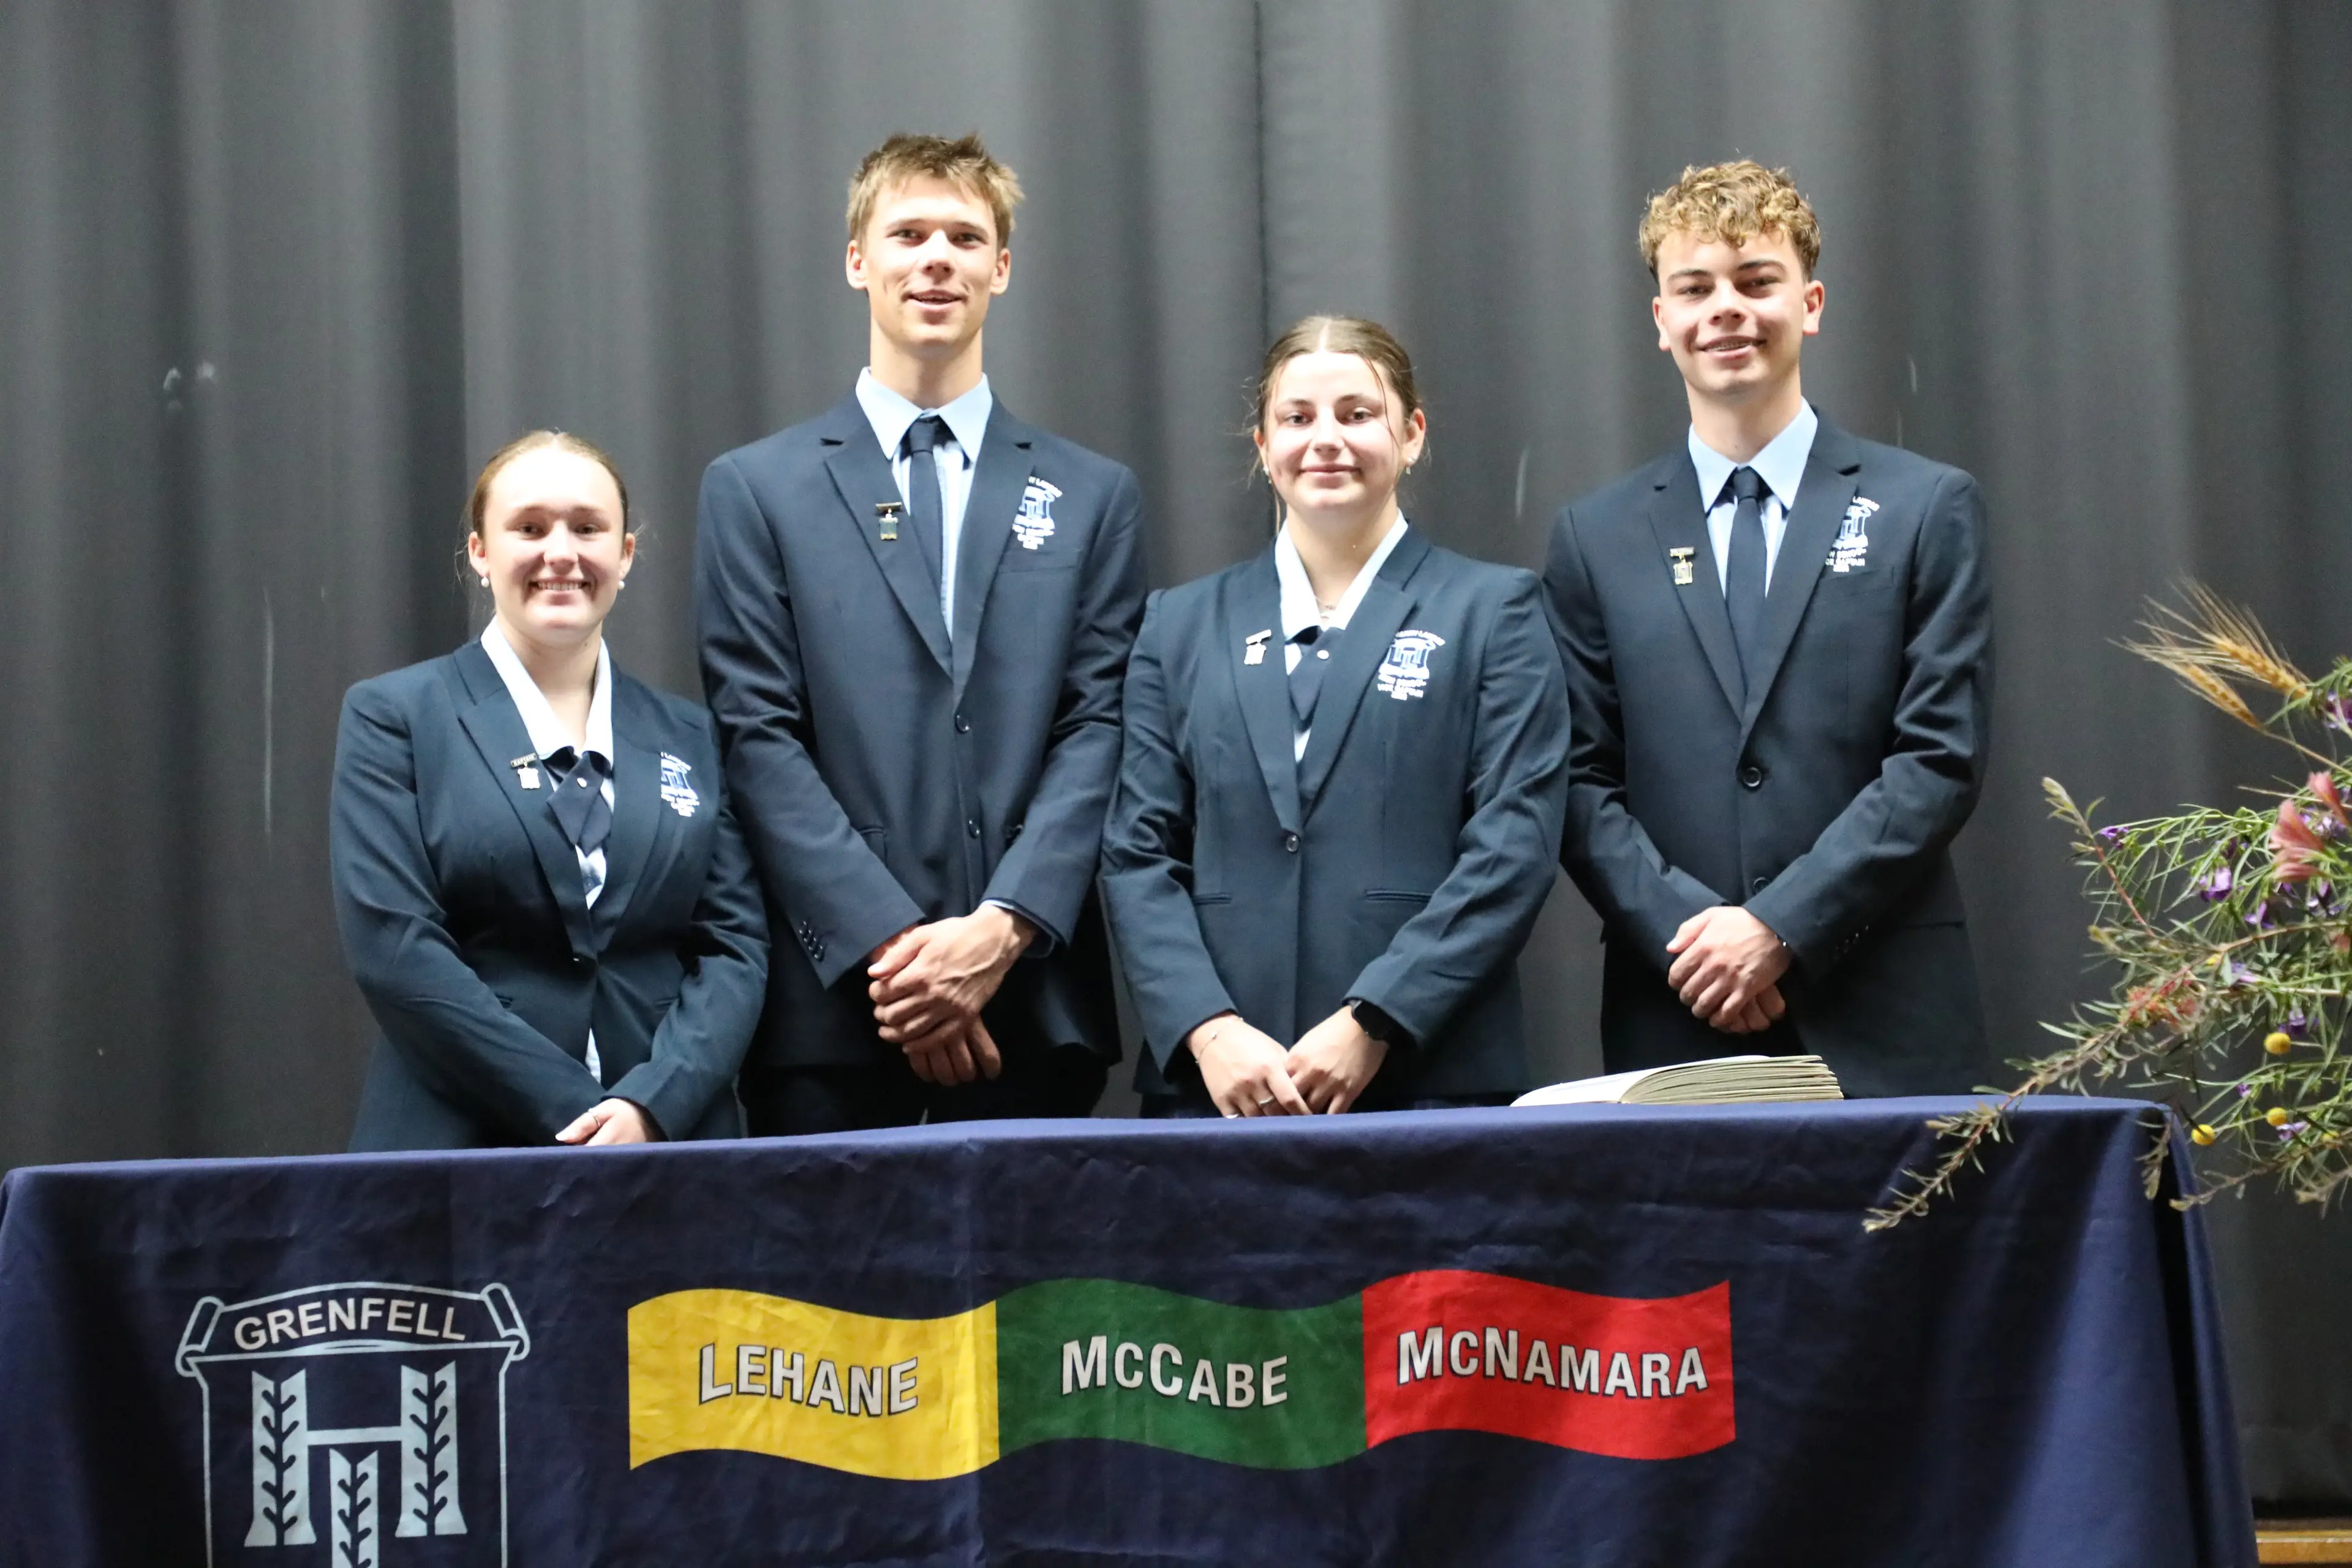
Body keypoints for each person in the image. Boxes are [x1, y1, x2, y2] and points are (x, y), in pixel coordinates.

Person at [697, 133, 1145, 1133]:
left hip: (1030, 1012)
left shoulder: (1091, 494)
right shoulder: (756, 489)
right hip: (834, 1020)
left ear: (1002, 267)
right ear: (859, 259)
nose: (936, 257)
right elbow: (757, 734)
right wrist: (904, 959)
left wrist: (996, 934)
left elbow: (1099, 728)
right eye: (908, 233)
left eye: (964, 235)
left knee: (1042, 1294)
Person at [1542, 160, 1993, 1097]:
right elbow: (1577, 781)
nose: (1726, 311)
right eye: (1695, 288)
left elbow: (1937, 760)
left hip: (1885, 1006)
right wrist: (1704, 945)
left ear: (1811, 302)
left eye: (1757, 282)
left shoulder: (1925, 506)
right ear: (1660, 320)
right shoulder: (1596, 535)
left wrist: (1780, 927)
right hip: (1677, 1007)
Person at [1102, 317, 1569, 1117]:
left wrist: (1374, 1021)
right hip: (1216, 1091)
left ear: (1412, 433)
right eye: (1298, 418)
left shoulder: (1495, 612)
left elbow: (1513, 845)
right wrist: (1211, 1032)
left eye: (1357, 414)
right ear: (1262, 445)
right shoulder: (1178, 626)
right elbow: (1136, 853)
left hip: (1427, 1080)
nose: (1326, 440)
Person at [333, 431, 767, 1149]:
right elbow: (393, 944)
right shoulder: (397, 717)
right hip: (459, 1141)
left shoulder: (691, 735)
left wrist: (651, 1108)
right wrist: (580, 1113)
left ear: (624, 554)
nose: (560, 552)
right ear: (481, 552)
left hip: (670, 1142)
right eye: (529, 528)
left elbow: (735, 947)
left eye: (588, 528)